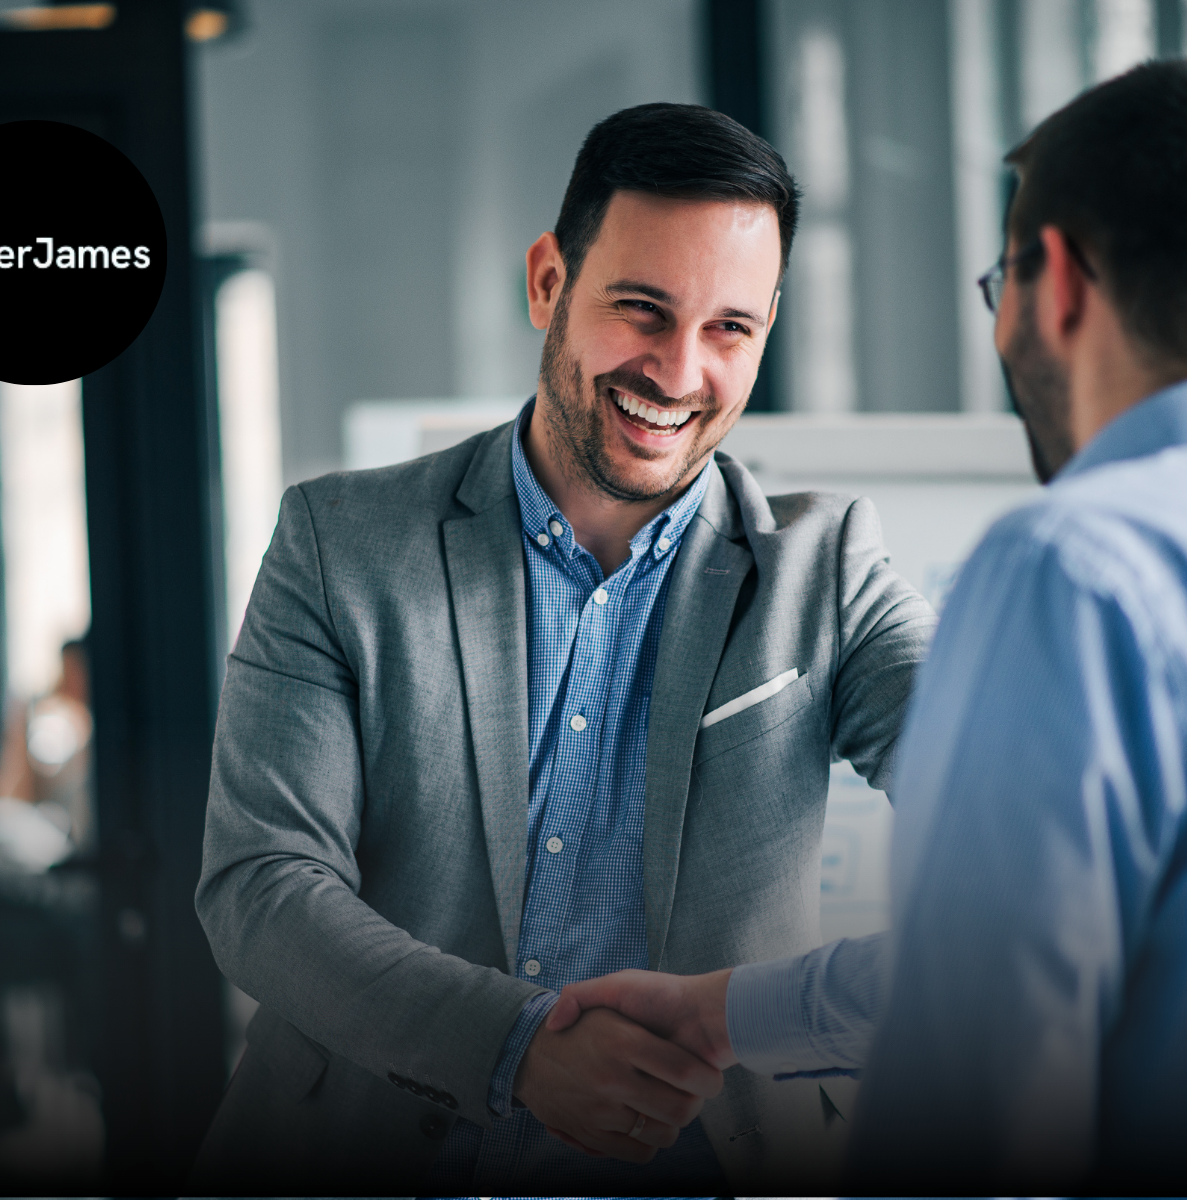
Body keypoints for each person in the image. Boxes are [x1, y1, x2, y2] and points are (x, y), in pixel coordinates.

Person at [549, 58, 1187, 1192]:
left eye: (999, 281)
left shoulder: (1071, 566)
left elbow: (982, 1072)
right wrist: (726, 1013)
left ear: (1056, 283)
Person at [189, 102, 935, 1193]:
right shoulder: (339, 544)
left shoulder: (825, 575)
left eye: (729, 329)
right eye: (641, 309)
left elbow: (1028, 835)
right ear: (549, 282)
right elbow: (261, 887)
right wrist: (518, 1049)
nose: (678, 371)